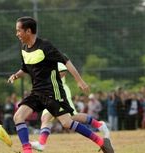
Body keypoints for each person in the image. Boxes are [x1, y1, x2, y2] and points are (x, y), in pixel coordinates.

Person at [8, 16, 114, 153]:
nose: (17, 34)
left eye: (18, 31)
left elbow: (66, 61)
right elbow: (25, 68)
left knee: (67, 122)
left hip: (53, 92)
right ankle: (27, 150)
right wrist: (16, 75)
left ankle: (101, 142)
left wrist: (79, 80)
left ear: (28, 31)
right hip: (36, 93)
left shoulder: (45, 46)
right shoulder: (24, 49)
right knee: (18, 117)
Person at [29, 63, 110, 151]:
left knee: (72, 117)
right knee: (45, 118)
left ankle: (99, 125)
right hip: (49, 94)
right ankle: (41, 143)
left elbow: (64, 70)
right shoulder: (36, 61)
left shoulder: (51, 57)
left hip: (60, 92)